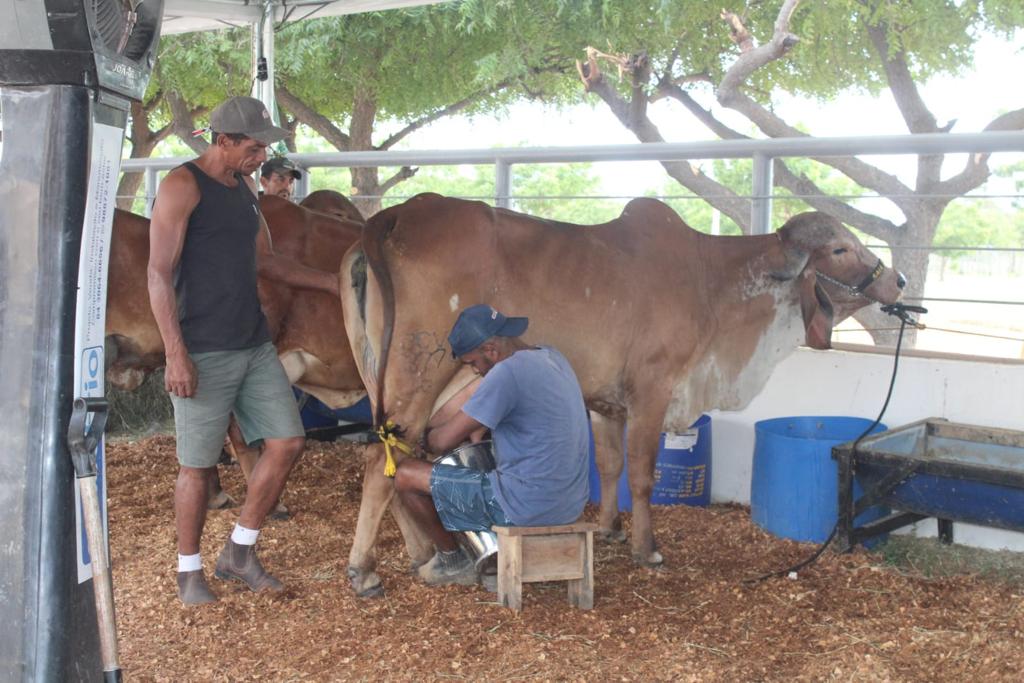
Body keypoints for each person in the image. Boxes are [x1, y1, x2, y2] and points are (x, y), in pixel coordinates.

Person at [148, 95, 339, 605]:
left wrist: (334, 282)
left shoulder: (247, 190)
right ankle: (188, 571)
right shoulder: (182, 186)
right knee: (197, 464)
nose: (262, 157)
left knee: (287, 442)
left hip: (253, 343)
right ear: (224, 140)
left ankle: (239, 551)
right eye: (254, 147)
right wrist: (174, 353)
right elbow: (158, 274)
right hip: (202, 348)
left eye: (264, 148)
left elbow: (267, 263)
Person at [393, 304, 590, 586]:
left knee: (406, 475)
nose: (475, 371)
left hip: (525, 507)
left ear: (491, 350)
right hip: (570, 503)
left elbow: (443, 441)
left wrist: (423, 437)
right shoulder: (552, 356)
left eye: (473, 363)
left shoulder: (506, 373)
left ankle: (453, 561)